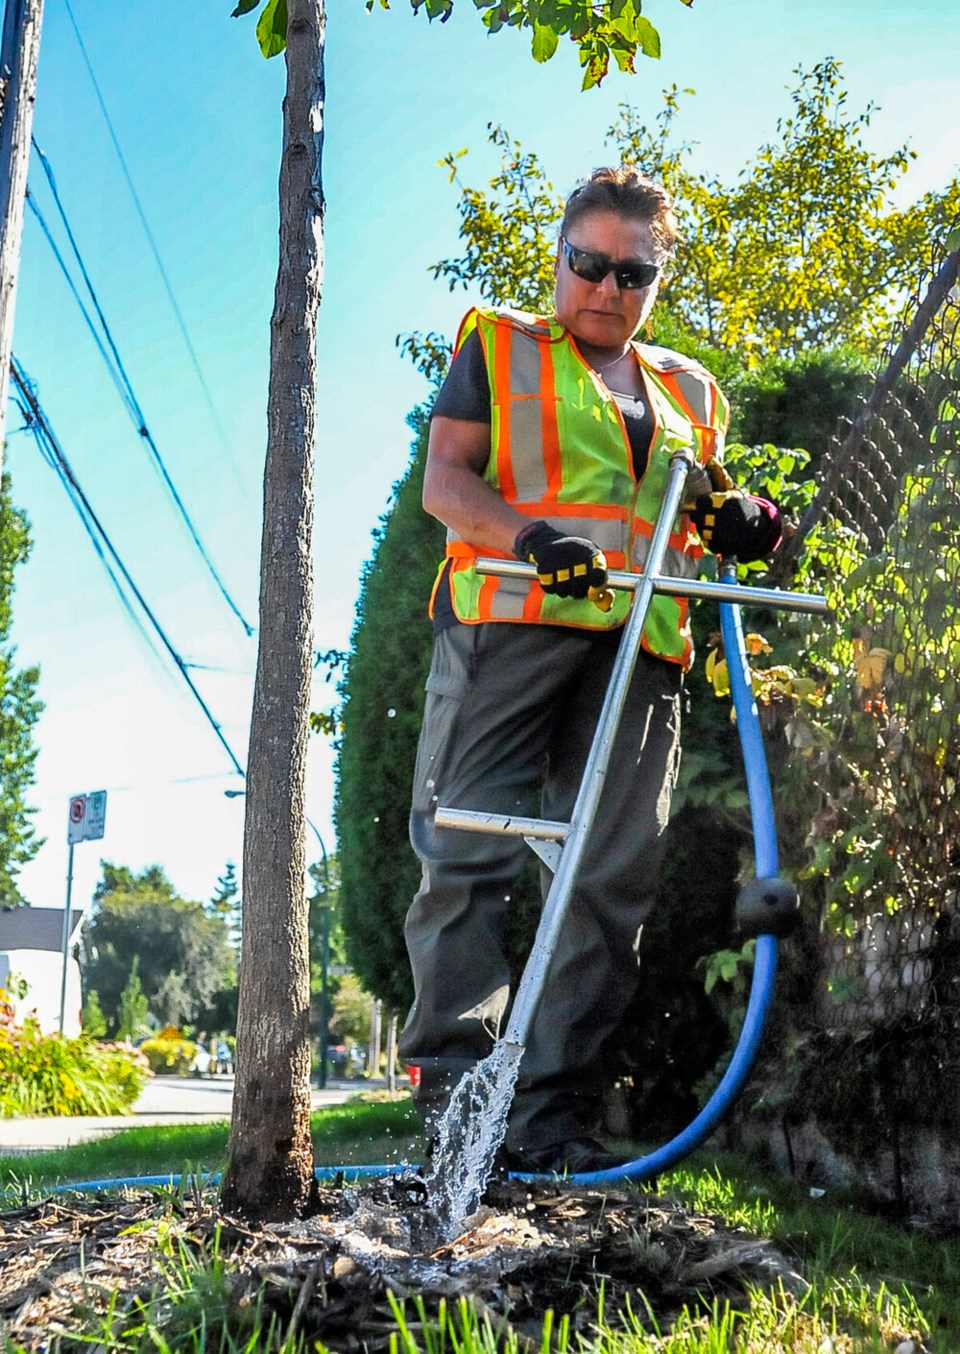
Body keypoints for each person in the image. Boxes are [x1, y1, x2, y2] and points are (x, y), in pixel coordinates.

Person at [397, 166, 781, 1175]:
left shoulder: (690, 389)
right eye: (591, 264)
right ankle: (454, 1107)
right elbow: (447, 481)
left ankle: (546, 1117)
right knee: (467, 850)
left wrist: (738, 519)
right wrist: (529, 537)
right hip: (511, 626)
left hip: (643, 647)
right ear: (560, 255)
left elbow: (701, 506)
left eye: (634, 272)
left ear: (658, 279)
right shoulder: (500, 345)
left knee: (610, 877)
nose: (609, 289)